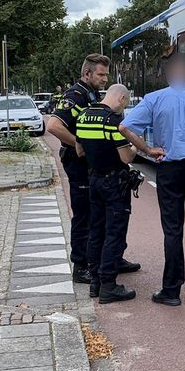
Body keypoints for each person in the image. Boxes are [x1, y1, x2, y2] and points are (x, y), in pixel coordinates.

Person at [119, 55, 185, 306]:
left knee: (172, 228)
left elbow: (125, 128)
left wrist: (147, 149)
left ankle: (171, 290)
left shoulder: (154, 99)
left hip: (168, 167)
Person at [46, 54, 110, 284]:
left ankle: (105, 258)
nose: (105, 79)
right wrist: (77, 143)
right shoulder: (76, 95)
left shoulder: (91, 94)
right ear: (87, 74)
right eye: (101, 74)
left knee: (97, 213)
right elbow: (53, 125)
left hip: (90, 165)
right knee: (84, 214)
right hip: (78, 163)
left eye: (106, 74)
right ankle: (81, 265)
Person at [75, 84, 138, 304]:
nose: (124, 107)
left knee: (96, 231)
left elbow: (79, 150)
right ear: (121, 97)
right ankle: (109, 286)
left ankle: (95, 283)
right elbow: (126, 158)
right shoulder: (113, 121)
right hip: (114, 182)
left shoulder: (83, 115)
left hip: (94, 179)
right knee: (114, 232)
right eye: (126, 103)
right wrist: (136, 147)